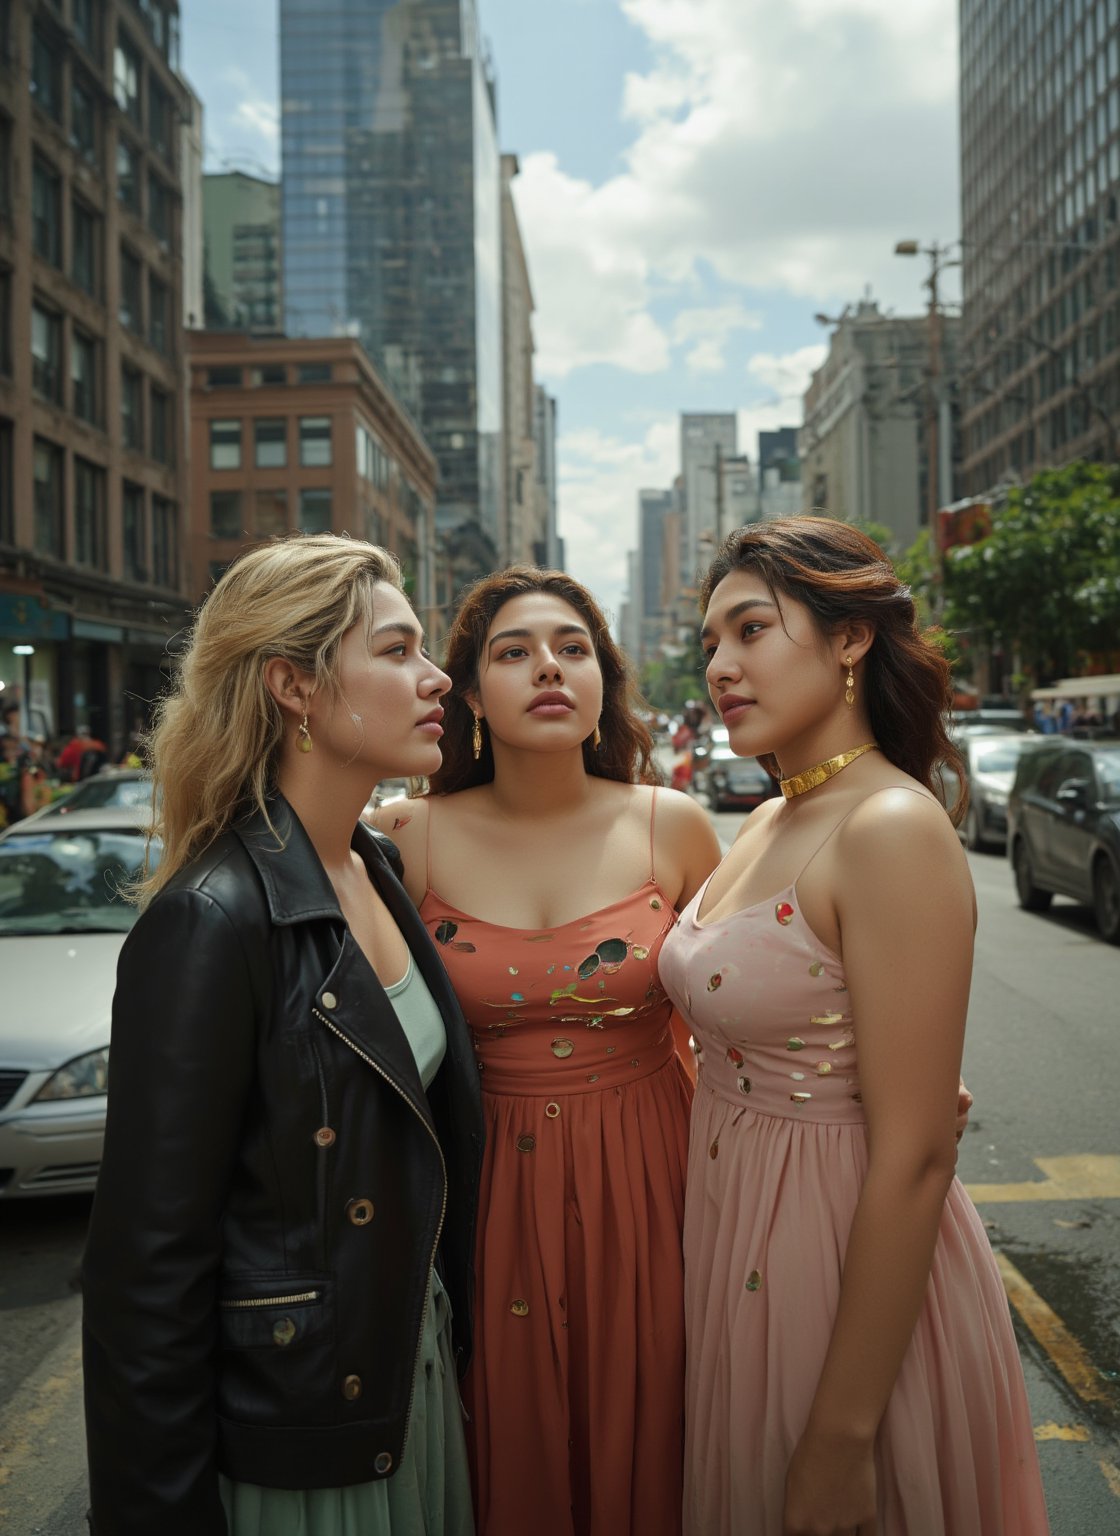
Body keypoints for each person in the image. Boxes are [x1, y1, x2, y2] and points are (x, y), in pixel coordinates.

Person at [82, 534, 484, 1536]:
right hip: (302, 1430)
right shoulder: (211, 918)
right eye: (396, 651)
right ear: (292, 685)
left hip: (409, 1373)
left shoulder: (377, 865)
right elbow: (148, 1271)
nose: (436, 678)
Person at [658, 517, 1049, 1535]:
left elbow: (917, 1152)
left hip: (835, 1257)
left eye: (750, 630)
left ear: (848, 639)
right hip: (737, 1223)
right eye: (710, 645)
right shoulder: (773, 817)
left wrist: (842, 1433)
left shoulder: (889, 827)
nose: (720, 666)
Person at [374, 567, 722, 1536]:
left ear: (605, 681)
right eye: (513, 652)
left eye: (573, 649)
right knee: (505, 1432)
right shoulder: (407, 840)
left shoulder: (673, 826)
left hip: (658, 1177)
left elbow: (756, 998)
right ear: (470, 694)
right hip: (485, 1189)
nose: (548, 669)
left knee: (655, 1413)